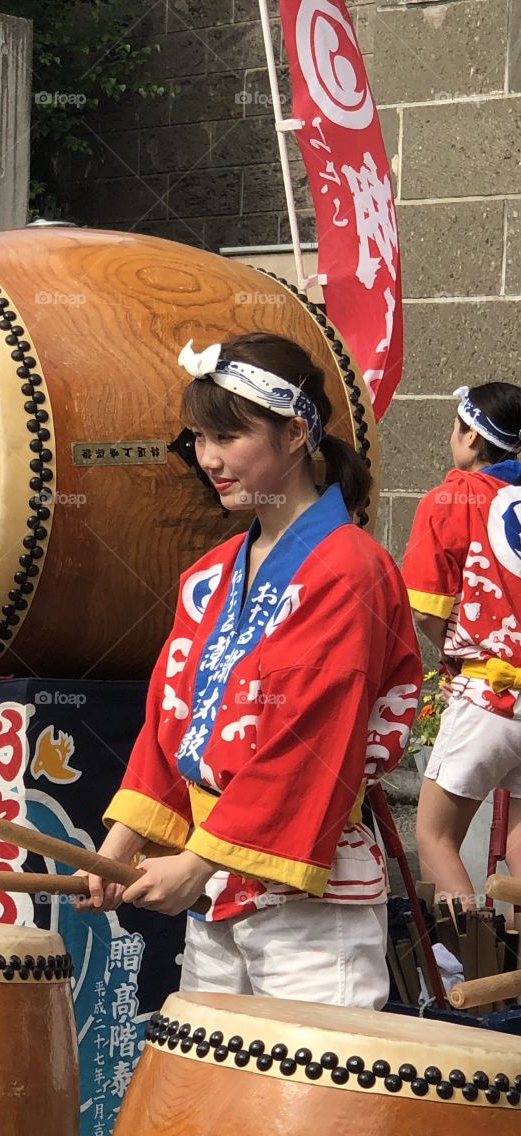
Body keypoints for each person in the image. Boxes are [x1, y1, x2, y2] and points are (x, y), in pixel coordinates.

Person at [78, 333, 421, 1008]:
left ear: (296, 432)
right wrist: (121, 843)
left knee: (310, 1104)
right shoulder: (208, 578)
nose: (208, 459)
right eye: (199, 439)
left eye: (227, 437)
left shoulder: (349, 569)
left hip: (311, 898)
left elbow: (313, 741)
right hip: (215, 891)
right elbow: (169, 724)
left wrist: (200, 858)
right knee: (215, 1097)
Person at [401, 382, 521, 902]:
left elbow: (426, 608)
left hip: (486, 695)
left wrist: (452, 654)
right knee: (520, 841)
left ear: (471, 435)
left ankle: (465, 970)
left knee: (434, 836)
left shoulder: (451, 497)